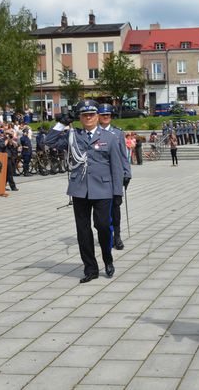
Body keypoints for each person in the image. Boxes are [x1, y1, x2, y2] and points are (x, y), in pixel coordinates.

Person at [45, 101, 124, 283]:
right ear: (79, 118)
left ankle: (107, 259)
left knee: (103, 227)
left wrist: (117, 192)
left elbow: (116, 166)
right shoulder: (74, 136)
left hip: (103, 189)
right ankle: (90, 268)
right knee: (83, 231)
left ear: (97, 116)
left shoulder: (110, 137)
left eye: (91, 114)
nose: (88, 117)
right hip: (80, 189)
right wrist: (62, 123)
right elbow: (48, 142)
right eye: (84, 115)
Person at [97, 103, 132, 251]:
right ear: (98, 116)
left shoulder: (117, 133)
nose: (106, 117)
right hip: (100, 178)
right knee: (101, 212)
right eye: (103, 115)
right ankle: (107, 235)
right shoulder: (95, 132)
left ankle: (117, 236)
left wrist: (127, 172)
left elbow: (124, 155)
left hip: (115, 176)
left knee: (115, 208)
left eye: (108, 115)